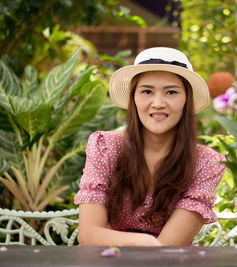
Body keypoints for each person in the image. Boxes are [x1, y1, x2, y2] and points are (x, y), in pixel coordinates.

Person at [74, 47, 225, 246]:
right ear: (133, 98)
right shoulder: (106, 147)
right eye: (147, 91)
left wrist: (129, 241)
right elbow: (88, 234)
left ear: (186, 99)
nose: (158, 103)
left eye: (171, 92)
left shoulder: (206, 162)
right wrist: (150, 242)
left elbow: (169, 246)